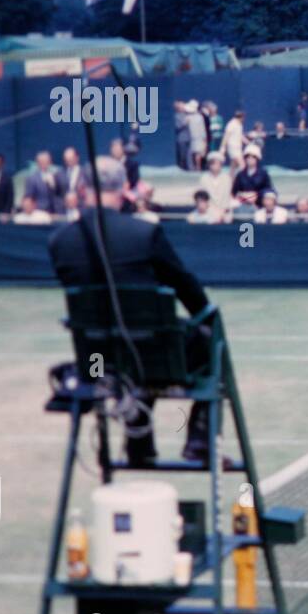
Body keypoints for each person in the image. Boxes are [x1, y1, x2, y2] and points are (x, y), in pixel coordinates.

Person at [48, 156, 214, 464]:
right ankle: (199, 439)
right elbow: (188, 290)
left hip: (97, 365)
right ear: (125, 188)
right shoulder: (144, 234)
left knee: (136, 346)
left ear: (83, 189)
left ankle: (140, 440)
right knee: (206, 339)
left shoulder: (59, 241)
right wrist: (206, 314)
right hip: (154, 358)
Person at [24, 150, 64, 215]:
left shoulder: (56, 176)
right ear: (38, 163)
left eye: (47, 161)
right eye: (42, 161)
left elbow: (60, 193)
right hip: (40, 211)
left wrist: (53, 184)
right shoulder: (32, 179)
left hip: (56, 211)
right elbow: (29, 197)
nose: (45, 163)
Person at [199, 152, 232, 218]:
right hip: (209, 212)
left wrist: (222, 211)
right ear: (209, 165)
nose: (215, 166)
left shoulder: (227, 178)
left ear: (221, 165)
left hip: (224, 212)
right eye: (212, 164)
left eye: (217, 164)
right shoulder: (204, 178)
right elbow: (202, 197)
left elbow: (227, 197)